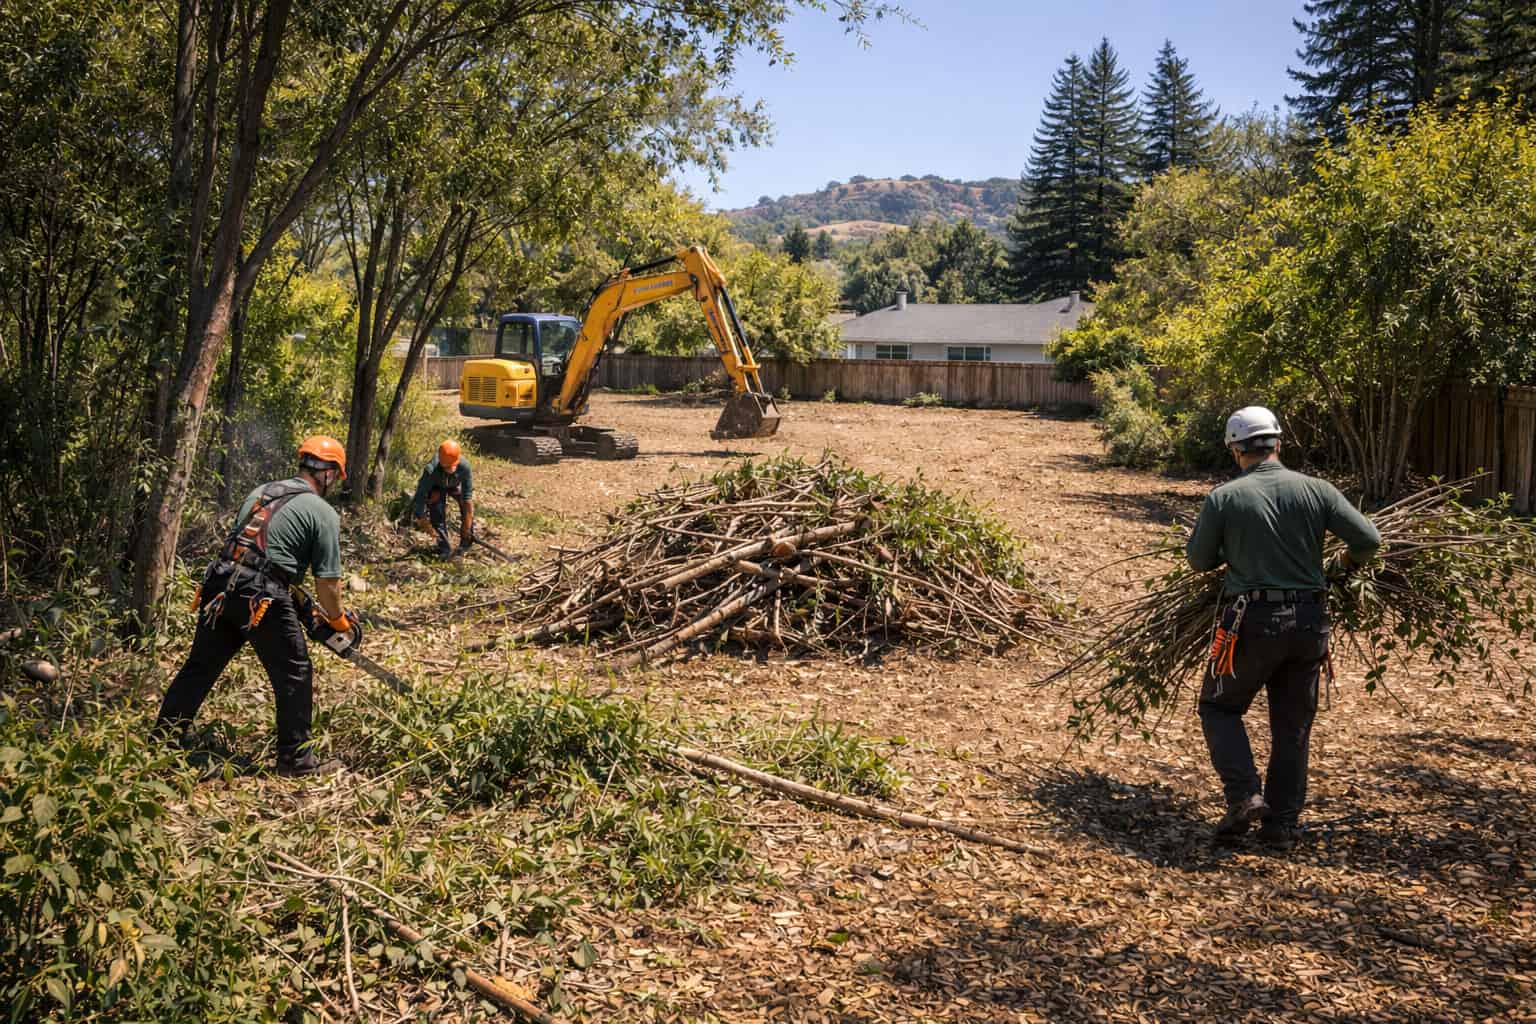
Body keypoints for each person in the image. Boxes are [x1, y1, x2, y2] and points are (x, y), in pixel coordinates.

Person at [1185, 406, 1381, 850]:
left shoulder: (1225, 497)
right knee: (1292, 727)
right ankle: (1282, 826)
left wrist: (1230, 553)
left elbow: (1199, 560)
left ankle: (1243, 796)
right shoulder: (1318, 490)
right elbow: (1368, 541)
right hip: (1311, 623)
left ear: (1236, 449)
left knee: (1219, 707)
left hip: (1250, 622)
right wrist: (1341, 565)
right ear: (1278, 443)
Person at [154, 436, 363, 777]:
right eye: (337, 477)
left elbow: (257, 552)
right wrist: (338, 622)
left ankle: (162, 741)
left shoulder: (262, 492)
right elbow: (328, 585)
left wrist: (297, 605)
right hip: (260, 594)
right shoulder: (323, 512)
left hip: (221, 582)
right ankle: (296, 761)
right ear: (328, 474)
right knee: (295, 672)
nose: (336, 484)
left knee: (200, 666)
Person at [412, 440, 474, 559]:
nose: (450, 468)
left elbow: (467, 499)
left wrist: (467, 525)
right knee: (437, 513)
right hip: (436, 487)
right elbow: (419, 497)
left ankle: (466, 542)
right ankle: (444, 548)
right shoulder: (431, 470)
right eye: (447, 467)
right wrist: (425, 523)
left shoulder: (465, 467)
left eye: (453, 466)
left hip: (453, 485)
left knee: (466, 510)